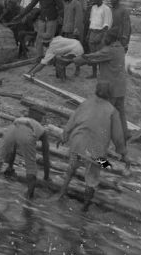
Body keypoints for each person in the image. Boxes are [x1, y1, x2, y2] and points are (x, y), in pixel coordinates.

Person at [54, 81, 131, 211]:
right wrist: (124, 154)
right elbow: (118, 137)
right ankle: (84, 208)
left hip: (76, 143)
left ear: (96, 91)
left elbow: (72, 120)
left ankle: (61, 193)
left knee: (72, 167)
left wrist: (64, 135)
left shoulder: (85, 103)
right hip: (96, 152)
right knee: (93, 177)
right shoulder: (112, 111)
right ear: (110, 95)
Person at [0, 108, 51, 199]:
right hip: (27, 134)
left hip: (11, 130)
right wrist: (46, 177)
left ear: (29, 114)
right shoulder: (41, 129)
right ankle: (28, 199)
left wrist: (10, 166)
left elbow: (13, 148)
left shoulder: (20, 119)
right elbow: (46, 156)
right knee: (31, 167)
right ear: (40, 118)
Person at [74, 28, 128, 140]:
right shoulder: (120, 48)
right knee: (120, 112)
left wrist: (79, 59)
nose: (103, 39)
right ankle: (125, 134)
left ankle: (101, 137)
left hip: (110, 87)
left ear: (110, 38)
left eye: (105, 37)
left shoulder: (110, 50)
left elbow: (94, 57)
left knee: (104, 113)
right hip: (121, 86)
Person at [18, 0, 64, 64]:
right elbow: (30, 6)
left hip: (51, 19)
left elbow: (61, 6)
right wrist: (21, 14)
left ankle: (50, 58)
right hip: (42, 20)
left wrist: (60, 17)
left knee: (49, 39)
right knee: (39, 39)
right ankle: (39, 57)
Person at [85, 0, 112, 78]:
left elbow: (106, 25)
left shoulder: (106, 9)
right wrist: (88, 35)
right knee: (93, 55)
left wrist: (99, 36)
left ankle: (102, 74)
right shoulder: (93, 8)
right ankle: (94, 74)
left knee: (100, 55)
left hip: (101, 33)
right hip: (92, 32)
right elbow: (91, 22)